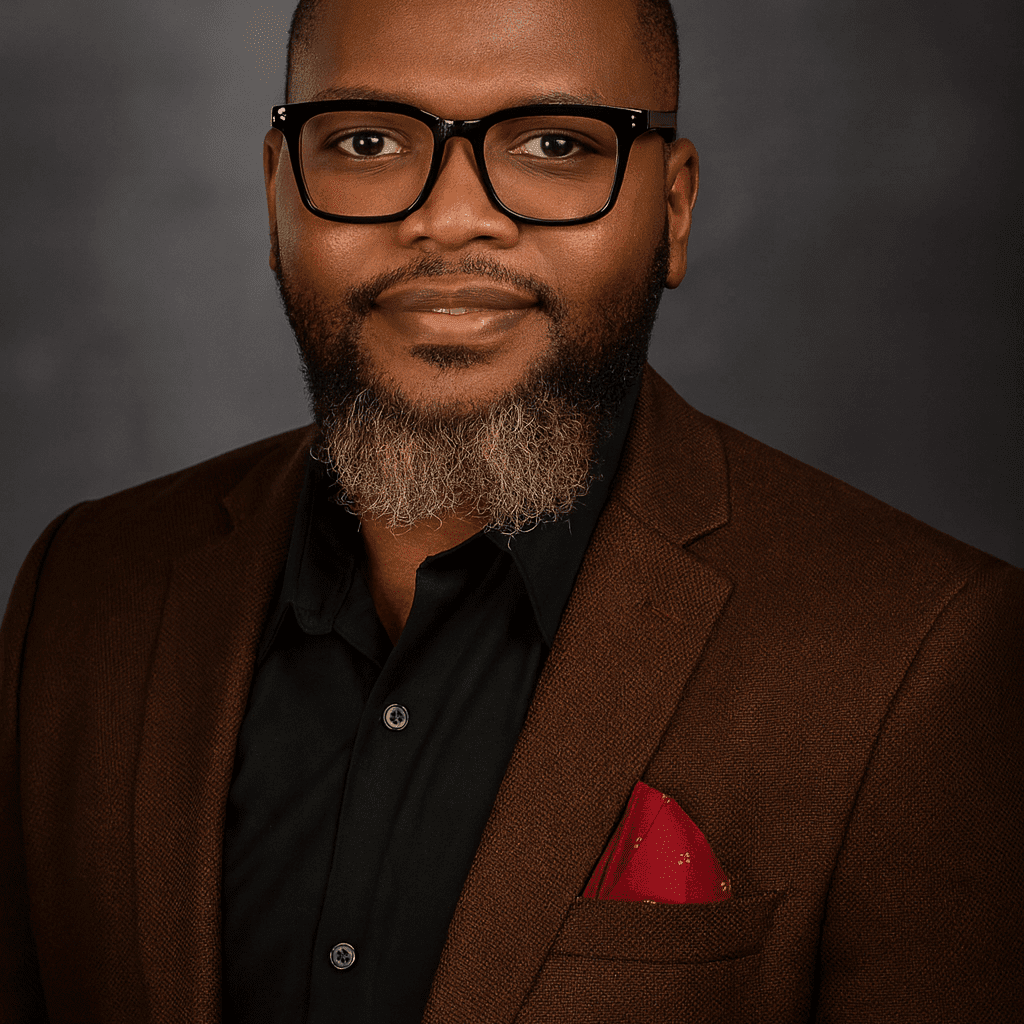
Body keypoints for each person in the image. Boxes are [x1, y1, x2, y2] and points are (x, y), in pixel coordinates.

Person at [1, 0, 1020, 1020]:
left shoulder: (920, 653)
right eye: (367, 141)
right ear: (278, 195)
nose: (449, 219)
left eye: (550, 144)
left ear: (671, 209)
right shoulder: (84, 587)